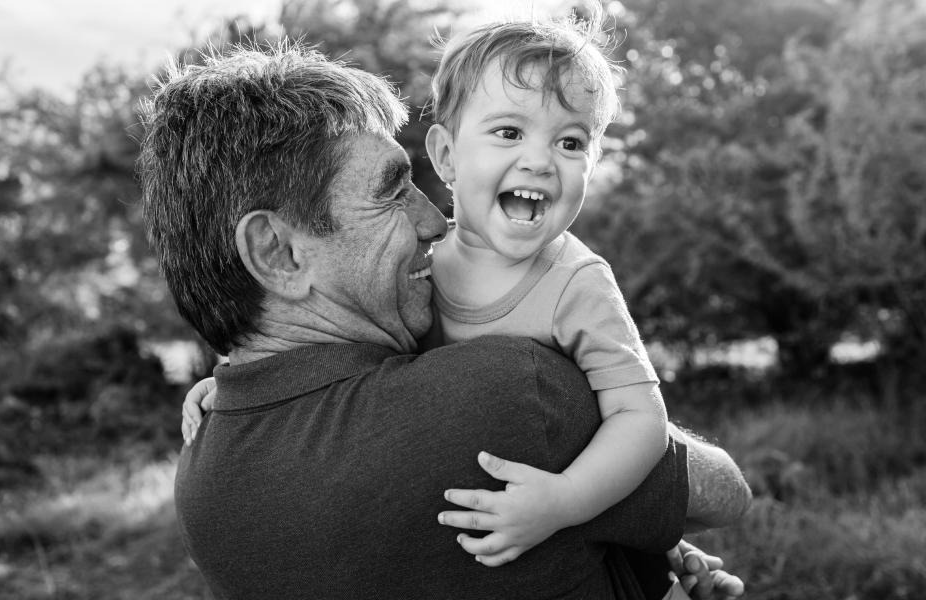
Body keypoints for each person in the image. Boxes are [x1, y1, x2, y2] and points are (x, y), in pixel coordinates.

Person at [144, 42, 750, 600]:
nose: (434, 223)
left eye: (571, 143)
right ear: (279, 253)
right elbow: (724, 492)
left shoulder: (202, 486)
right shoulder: (508, 391)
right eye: (390, 193)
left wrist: (226, 379)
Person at [416, 16, 668, 567]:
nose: (540, 160)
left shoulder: (576, 281)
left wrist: (565, 501)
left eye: (570, 141)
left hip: (567, 531)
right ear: (446, 156)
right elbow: (346, 349)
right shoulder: (416, 267)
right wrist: (242, 383)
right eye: (509, 132)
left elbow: (641, 419)